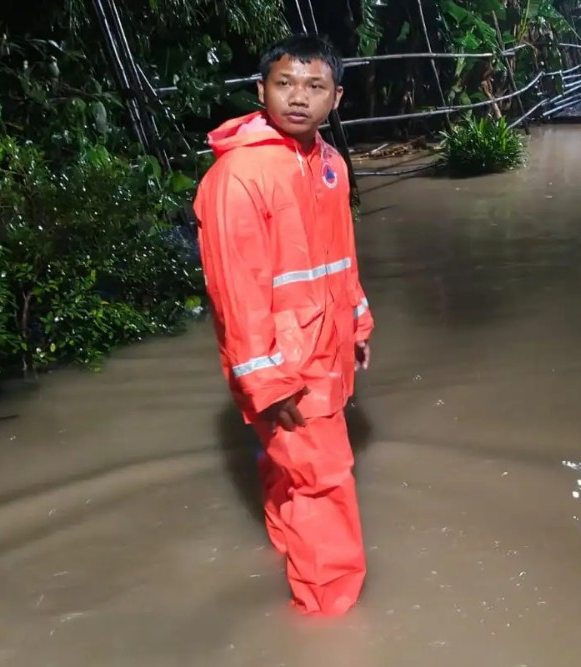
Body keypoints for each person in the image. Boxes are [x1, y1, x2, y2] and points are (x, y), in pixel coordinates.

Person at [193, 34, 374, 617]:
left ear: (336, 98)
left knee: (291, 470)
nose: (299, 97)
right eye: (285, 83)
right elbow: (234, 291)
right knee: (325, 481)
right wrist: (266, 383)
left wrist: (358, 324)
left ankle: (285, 546)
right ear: (261, 90)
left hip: (327, 347)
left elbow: (341, 257)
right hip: (283, 365)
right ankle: (328, 616)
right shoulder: (239, 176)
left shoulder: (330, 165)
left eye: (314, 86)